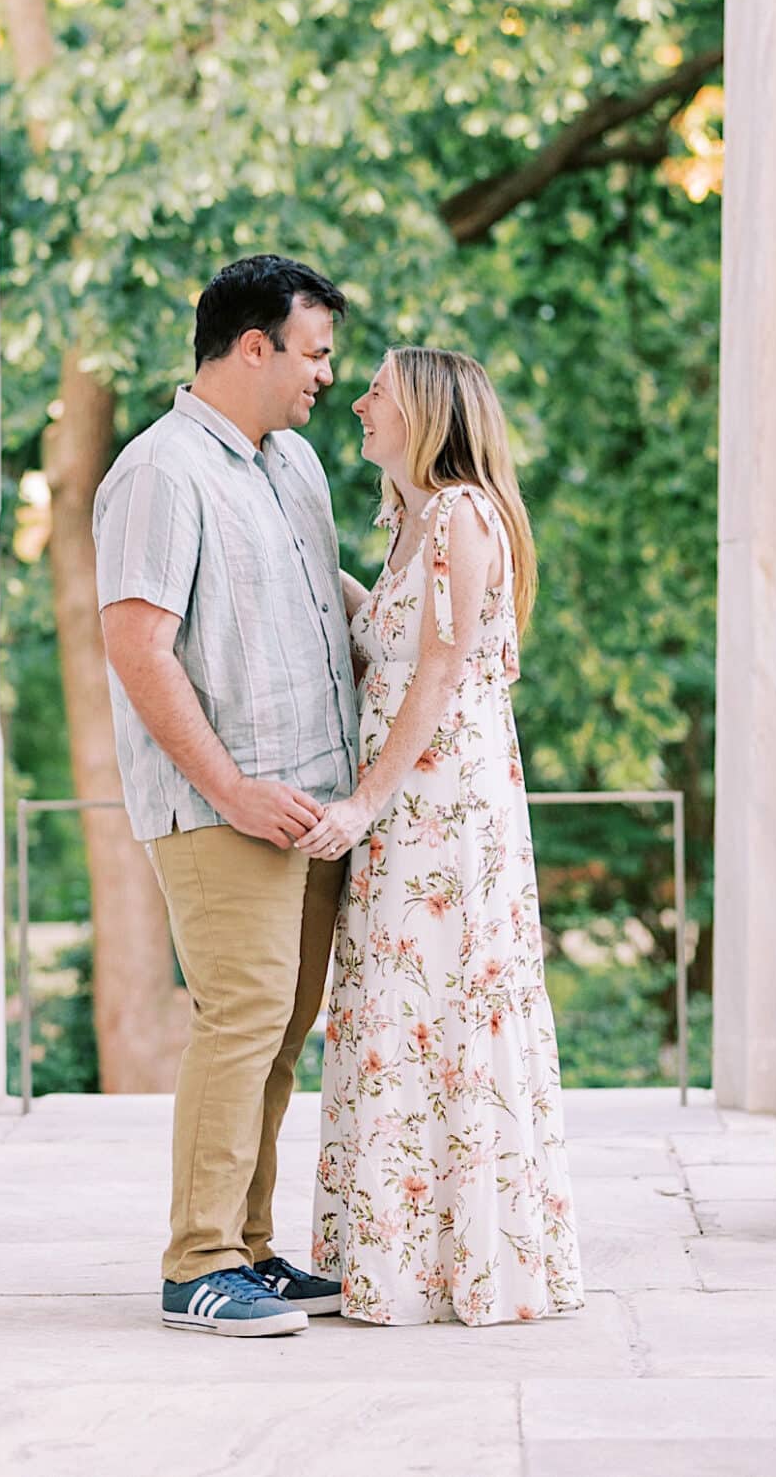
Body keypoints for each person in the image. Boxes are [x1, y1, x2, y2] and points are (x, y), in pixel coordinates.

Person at [95, 254, 359, 1338]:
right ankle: (196, 1262)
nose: (326, 376)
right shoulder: (160, 472)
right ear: (252, 346)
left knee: (283, 1029)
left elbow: (329, 604)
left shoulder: (293, 464)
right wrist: (234, 788)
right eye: (314, 352)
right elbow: (137, 646)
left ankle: (248, 1247)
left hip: (314, 802)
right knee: (241, 1017)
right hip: (222, 808)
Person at [300, 346, 584, 1325]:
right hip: (402, 815)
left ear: (423, 410)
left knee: (444, 1006)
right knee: (397, 1017)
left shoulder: (462, 513)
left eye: (377, 387)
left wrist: (363, 803)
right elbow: (387, 631)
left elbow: (435, 673)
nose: (361, 400)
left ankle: (466, 1262)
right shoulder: (410, 525)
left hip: (439, 818)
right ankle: (400, 1257)